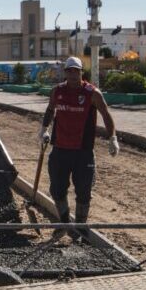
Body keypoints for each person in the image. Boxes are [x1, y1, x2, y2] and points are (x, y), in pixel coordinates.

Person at [39, 56, 118, 240]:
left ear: (82, 72)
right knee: (57, 189)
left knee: (84, 192)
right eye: (70, 71)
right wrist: (44, 129)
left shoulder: (92, 93)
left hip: (83, 152)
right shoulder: (57, 91)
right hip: (59, 150)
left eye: (77, 71)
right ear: (65, 72)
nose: (73, 74)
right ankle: (65, 224)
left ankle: (81, 228)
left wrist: (112, 138)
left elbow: (106, 114)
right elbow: (51, 110)